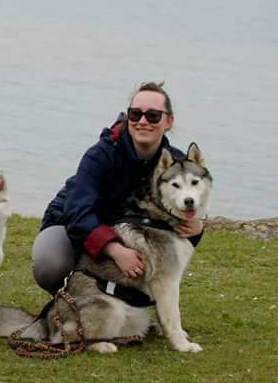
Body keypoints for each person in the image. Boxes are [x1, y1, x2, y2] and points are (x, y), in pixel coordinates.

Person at [33, 81, 205, 295]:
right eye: (135, 114)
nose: (143, 121)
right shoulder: (100, 154)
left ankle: (123, 306)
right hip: (70, 225)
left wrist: (197, 227)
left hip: (125, 234)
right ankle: (70, 303)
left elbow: (183, 211)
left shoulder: (177, 163)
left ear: (169, 121)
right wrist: (114, 249)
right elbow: (77, 212)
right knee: (50, 266)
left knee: (154, 269)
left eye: (153, 116)